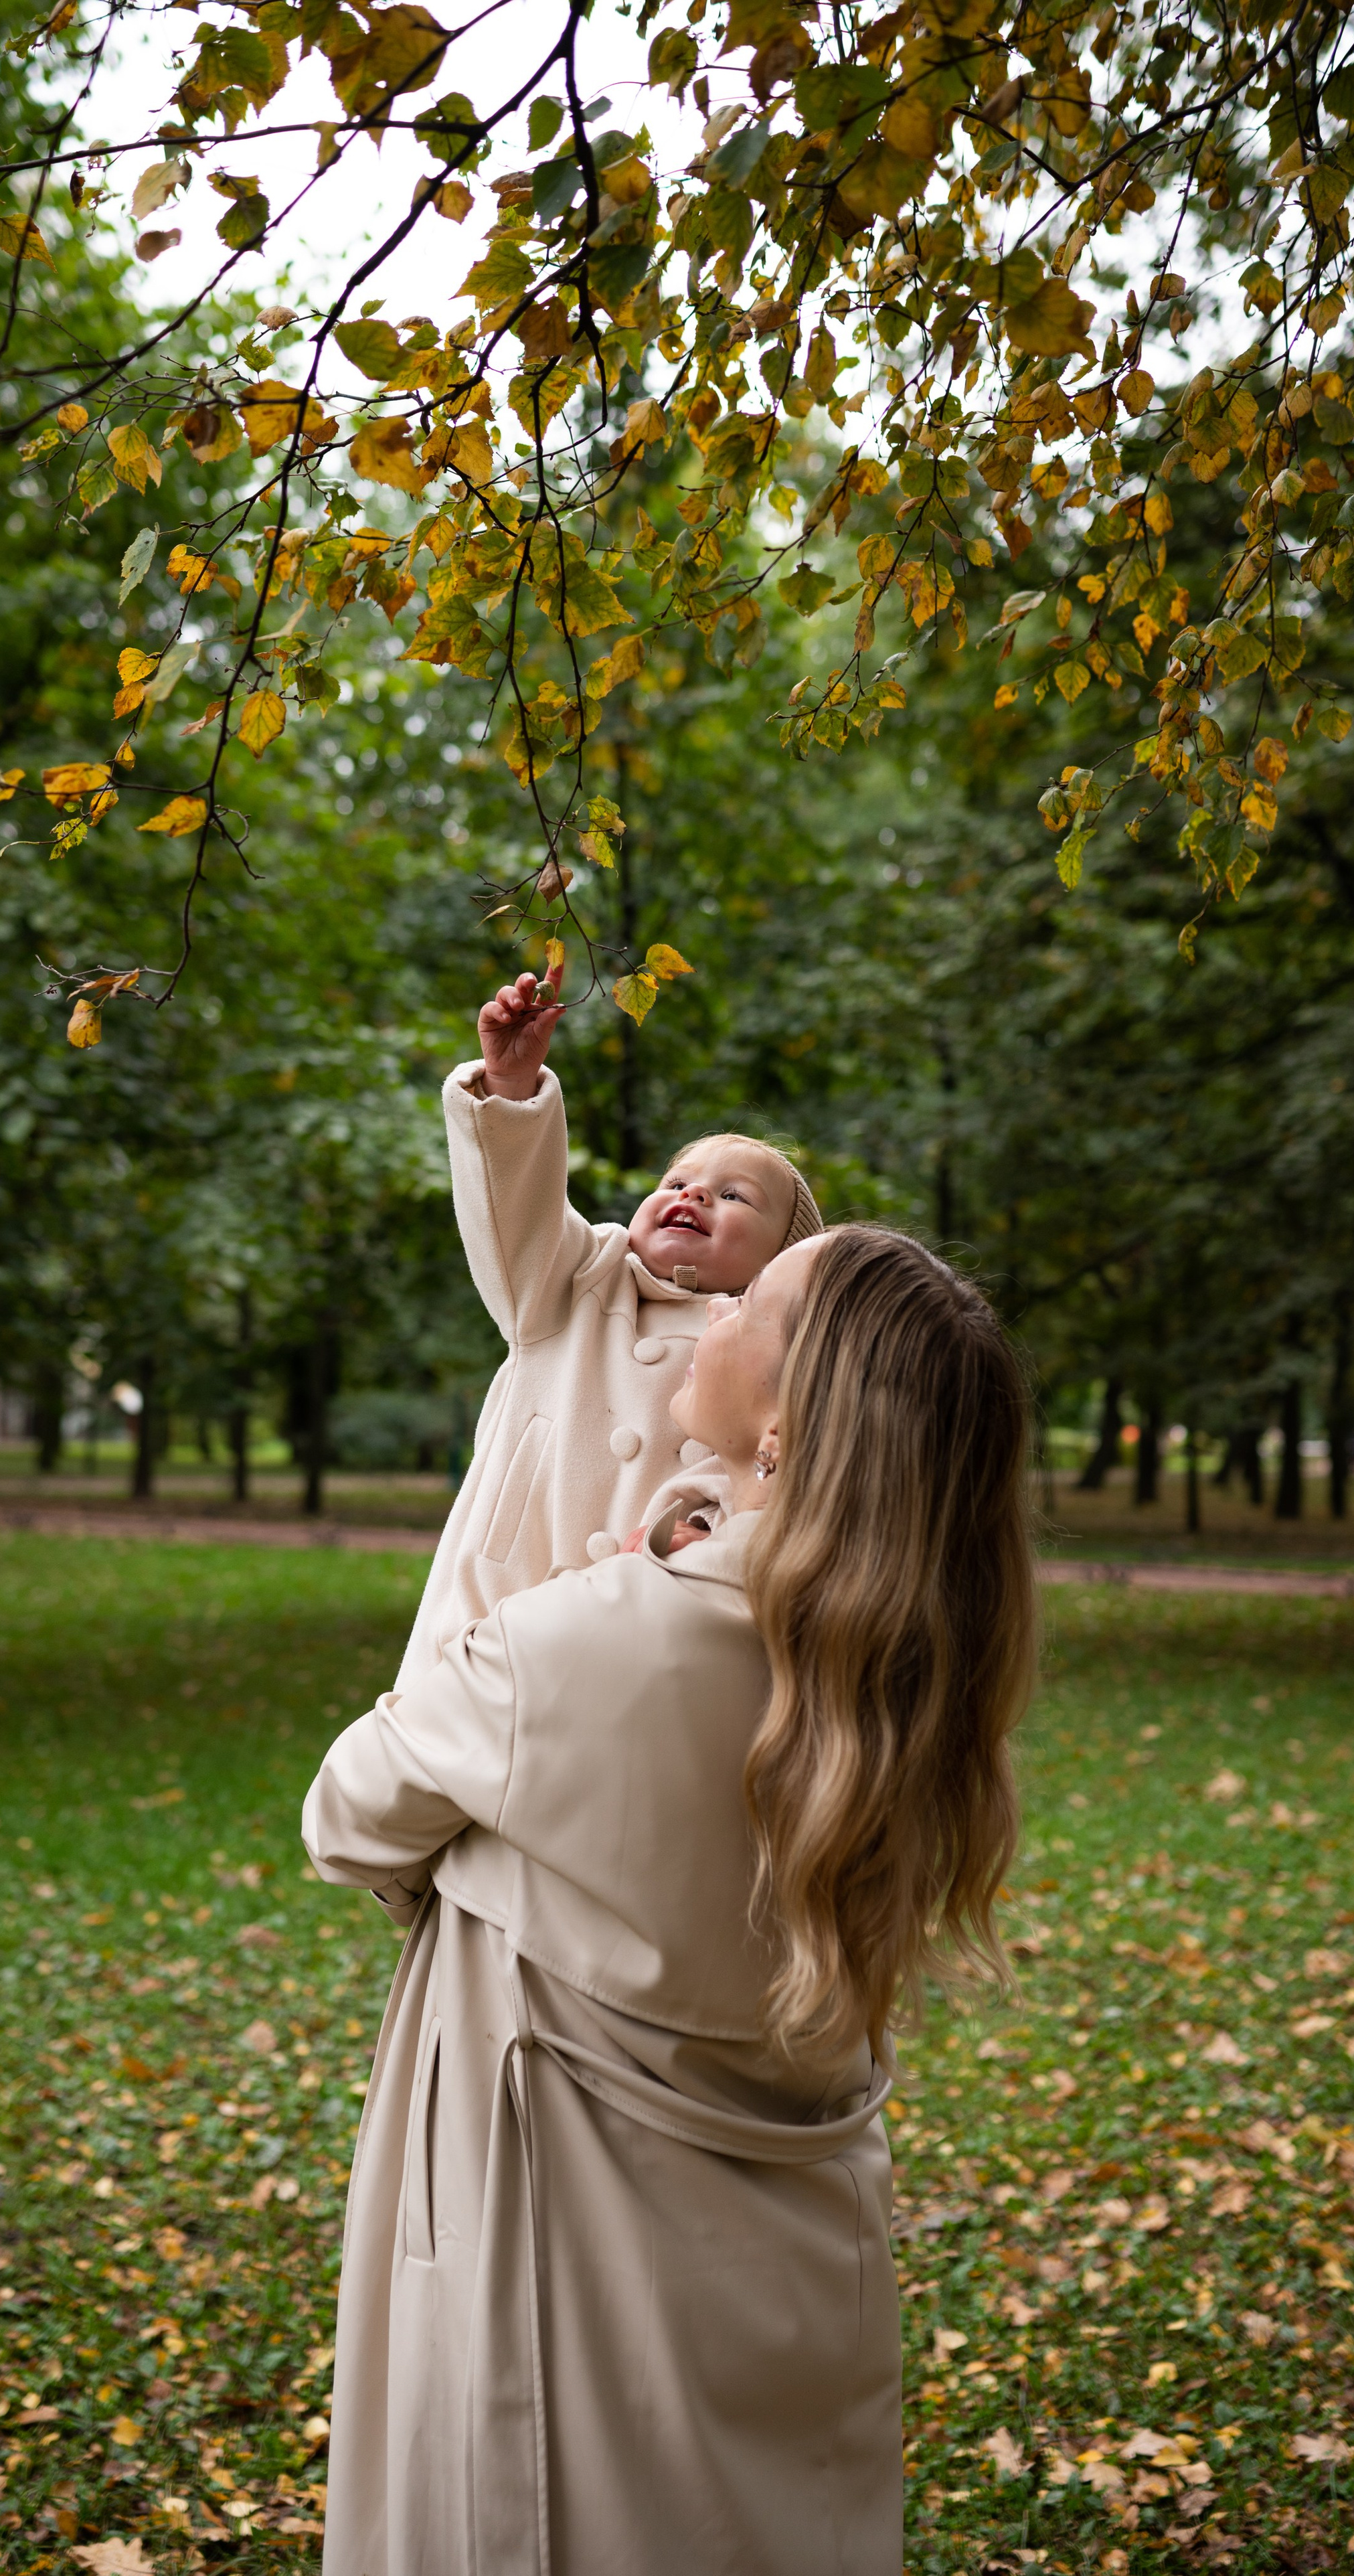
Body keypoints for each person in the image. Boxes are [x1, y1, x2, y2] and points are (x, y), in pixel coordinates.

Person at [303, 1225, 1036, 2576]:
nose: (705, 1306)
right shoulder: (921, 1673)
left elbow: (347, 1811)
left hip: (562, 2286)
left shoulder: (574, 1643)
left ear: (785, 1417)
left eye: (748, 1299)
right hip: (791, 2294)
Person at [391, 967, 822, 1688]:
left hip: (646, 1638)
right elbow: (515, 1209)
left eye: (732, 1194)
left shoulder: (776, 1361)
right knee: (454, 1784)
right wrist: (511, 1091)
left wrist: (706, 1542)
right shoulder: (573, 1281)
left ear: (785, 1258)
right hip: (497, 1609)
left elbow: (765, 1481)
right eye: (676, 1180)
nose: (690, 1192)